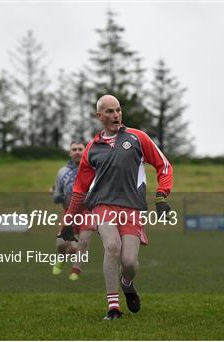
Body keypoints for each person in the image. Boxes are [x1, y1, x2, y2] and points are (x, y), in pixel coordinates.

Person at [59, 94, 174, 321]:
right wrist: (69, 220)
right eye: (110, 111)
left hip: (132, 208)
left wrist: (161, 196)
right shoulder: (91, 148)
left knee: (129, 263)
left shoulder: (138, 138)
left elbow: (164, 166)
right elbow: (80, 189)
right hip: (103, 205)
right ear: (99, 116)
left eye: (118, 110)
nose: (115, 115)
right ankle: (113, 308)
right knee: (112, 247)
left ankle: (127, 283)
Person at [51, 141, 94, 281]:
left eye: (80, 149)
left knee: (84, 240)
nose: (77, 152)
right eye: (74, 149)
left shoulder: (93, 170)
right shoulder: (62, 172)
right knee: (62, 244)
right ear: (70, 153)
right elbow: (56, 192)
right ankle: (62, 257)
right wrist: (56, 196)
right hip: (69, 211)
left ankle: (76, 269)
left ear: (85, 151)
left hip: (87, 211)